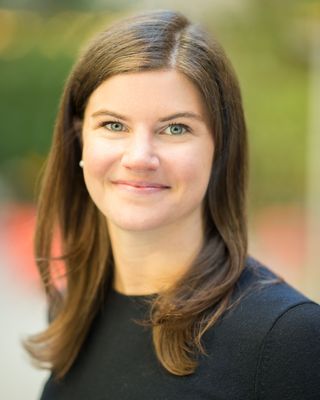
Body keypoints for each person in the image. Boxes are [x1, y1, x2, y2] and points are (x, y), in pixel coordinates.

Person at [25, 9, 320, 400]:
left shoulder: (287, 338)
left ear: (219, 149)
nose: (139, 157)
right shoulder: (74, 315)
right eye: (114, 125)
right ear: (79, 140)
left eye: (175, 128)